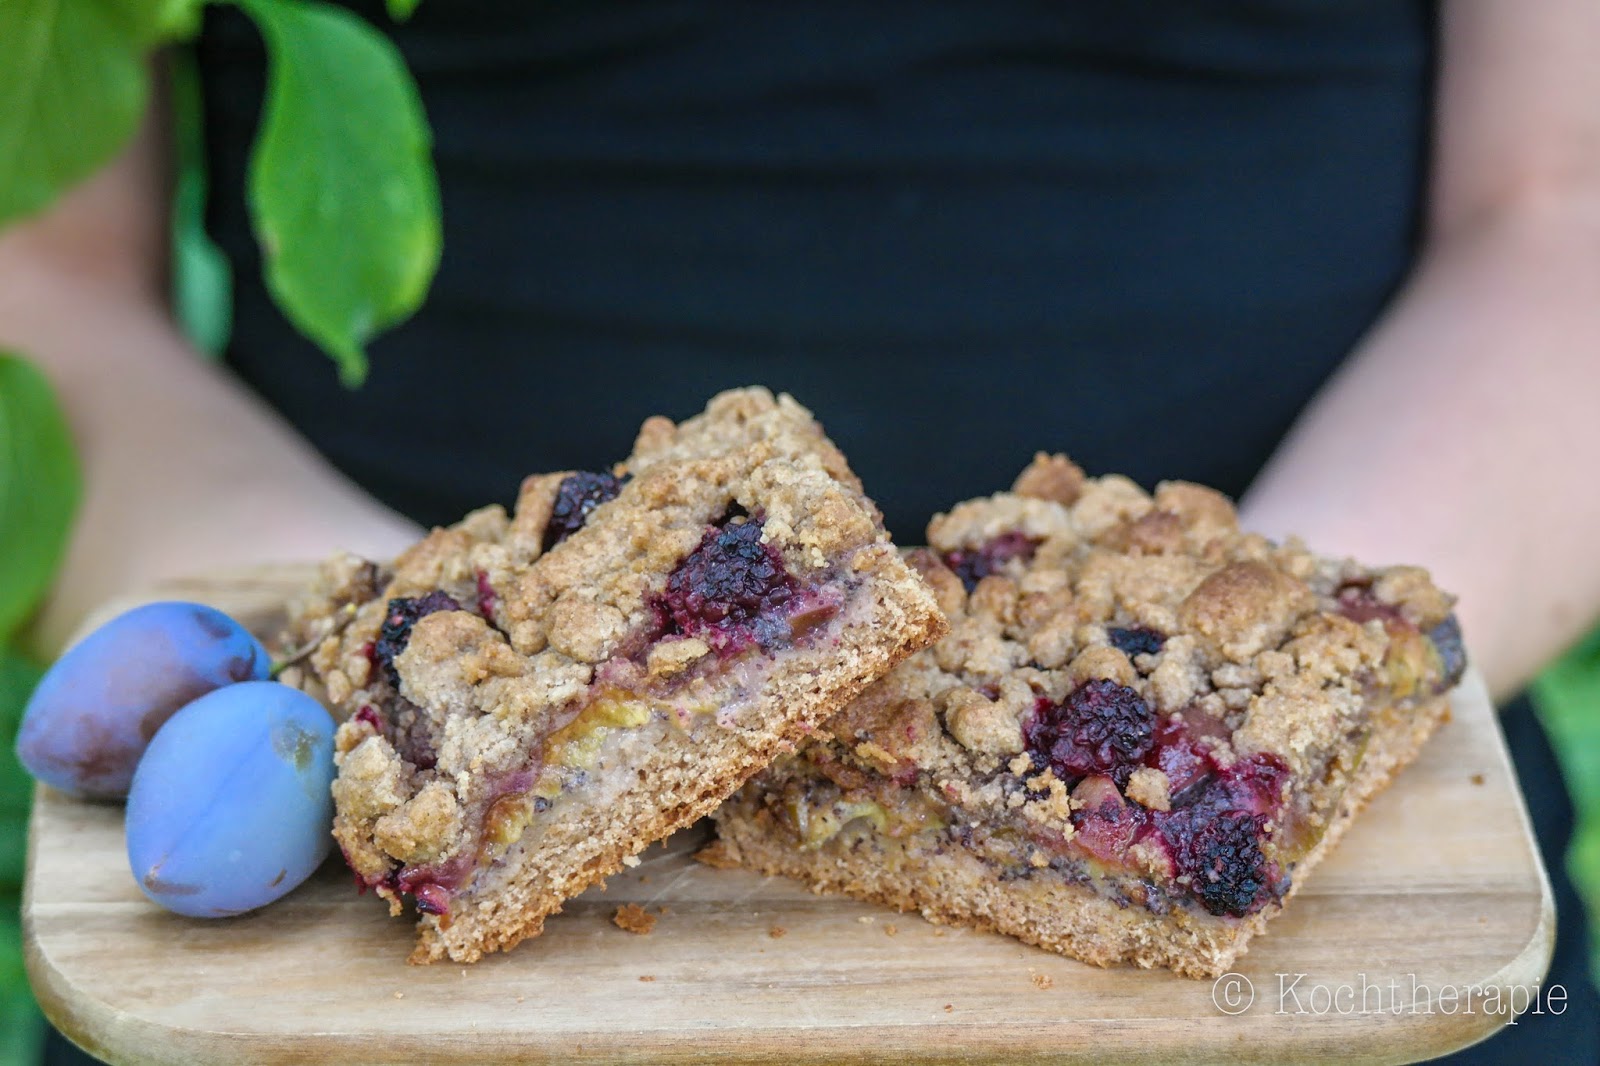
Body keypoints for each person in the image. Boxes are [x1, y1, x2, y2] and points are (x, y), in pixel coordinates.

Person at [4, 2, 1597, 1061]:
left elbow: (1561, 204)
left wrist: (1203, 750)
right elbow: (45, 282)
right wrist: (404, 727)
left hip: (1349, 736)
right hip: (339, 632)